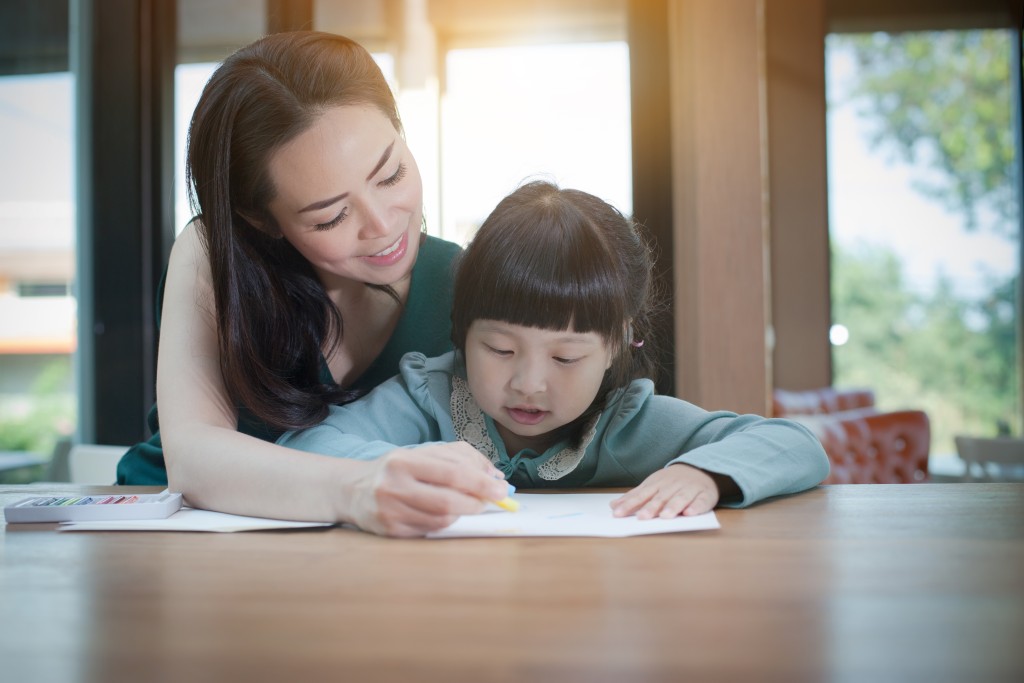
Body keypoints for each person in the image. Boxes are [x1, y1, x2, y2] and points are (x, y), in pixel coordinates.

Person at [116, 31, 511, 537]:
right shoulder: (215, 255)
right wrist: (358, 488)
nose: (382, 225)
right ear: (261, 219)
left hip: (377, 555)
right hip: (171, 539)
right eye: (331, 216)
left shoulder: (460, 280)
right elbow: (193, 459)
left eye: (390, 175)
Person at [278, 181, 831, 520]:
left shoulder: (628, 422)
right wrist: (397, 465)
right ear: (461, 331)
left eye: (565, 358)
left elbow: (795, 443)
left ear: (617, 345)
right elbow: (302, 448)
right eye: (499, 349)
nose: (528, 383)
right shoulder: (431, 397)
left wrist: (705, 474)